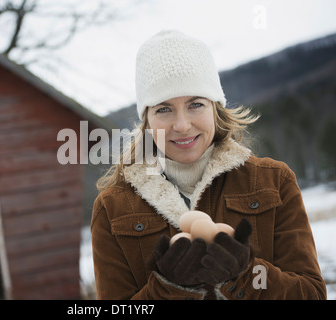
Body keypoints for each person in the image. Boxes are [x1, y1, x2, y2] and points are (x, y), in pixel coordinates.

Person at [90, 30, 326, 300]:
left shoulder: (274, 181)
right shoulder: (112, 209)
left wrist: (244, 275)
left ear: (215, 107)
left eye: (195, 104)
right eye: (163, 109)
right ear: (147, 120)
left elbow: (311, 294)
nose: (181, 125)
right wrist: (171, 288)